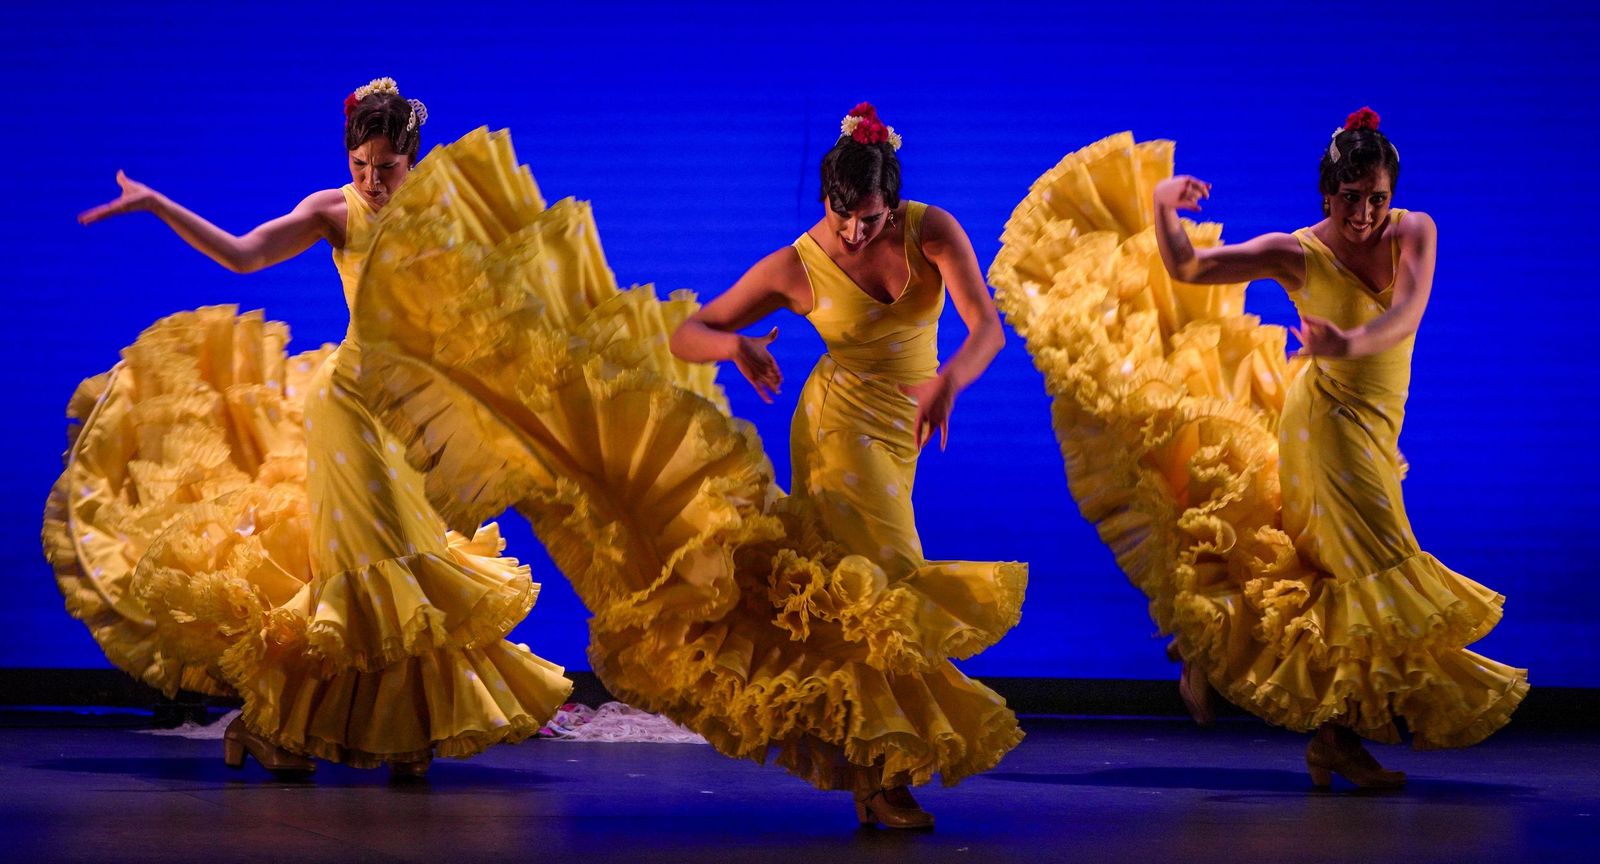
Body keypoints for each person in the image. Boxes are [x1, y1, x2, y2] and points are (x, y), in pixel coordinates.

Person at [347, 102, 1026, 829]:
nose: (855, 231)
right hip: (842, 429)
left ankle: (872, 765)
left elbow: (985, 326)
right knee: (881, 586)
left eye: (869, 218)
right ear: (826, 198)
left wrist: (948, 381)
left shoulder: (933, 230)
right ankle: (879, 777)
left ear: (892, 202)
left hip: (906, 425)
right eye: (842, 214)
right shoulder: (798, 263)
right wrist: (736, 347)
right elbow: (689, 332)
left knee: (854, 593)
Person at [49, 77, 572, 777]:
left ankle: (316, 731)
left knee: (405, 566)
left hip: (410, 417)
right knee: (376, 565)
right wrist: (158, 204)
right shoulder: (336, 211)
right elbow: (244, 253)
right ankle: (346, 734)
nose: (371, 182)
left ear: (412, 158)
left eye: (384, 169)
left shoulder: (446, 216)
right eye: (359, 168)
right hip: (348, 407)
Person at [988, 109, 1526, 790]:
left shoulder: (1415, 231)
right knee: (1374, 565)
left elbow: (1406, 314)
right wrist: (1161, 204)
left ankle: (1324, 732)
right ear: (1327, 194)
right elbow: (1186, 265)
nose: (1364, 213)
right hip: (1325, 427)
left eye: (1376, 198)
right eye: (1350, 199)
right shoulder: (1297, 251)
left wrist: (1345, 343)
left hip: (1377, 419)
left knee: (1334, 575)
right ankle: (1314, 721)